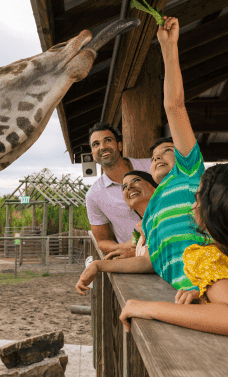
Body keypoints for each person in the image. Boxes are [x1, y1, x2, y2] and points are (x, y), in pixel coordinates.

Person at [77, 15, 208, 294]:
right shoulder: (153, 213)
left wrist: (168, 48)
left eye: (167, 151)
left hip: (207, 284)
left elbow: (174, 106)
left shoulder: (187, 174)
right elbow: (149, 259)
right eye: (154, 155)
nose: (158, 157)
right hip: (176, 289)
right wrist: (100, 265)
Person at [119, 162, 228, 372]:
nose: (192, 205)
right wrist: (207, 293)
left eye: (197, 198)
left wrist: (145, 307)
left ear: (219, 211)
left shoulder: (205, 256)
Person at [76, 170, 158, 294]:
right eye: (124, 187)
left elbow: (149, 262)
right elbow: (150, 257)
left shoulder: (161, 217)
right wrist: (135, 253)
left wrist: (98, 265)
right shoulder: (144, 228)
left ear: (156, 188)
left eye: (136, 180)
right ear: (128, 204)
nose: (129, 187)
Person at [85, 122, 151, 259]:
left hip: (171, 248)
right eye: (96, 144)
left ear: (119, 145)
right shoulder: (94, 195)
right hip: (136, 261)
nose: (102, 147)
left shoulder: (150, 166)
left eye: (108, 140)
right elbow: (102, 241)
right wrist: (123, 246)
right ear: (92, 154)